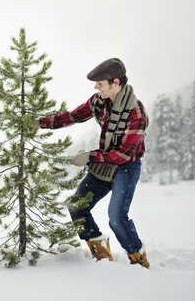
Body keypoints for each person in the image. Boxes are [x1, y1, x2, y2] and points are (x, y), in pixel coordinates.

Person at [36, 58, 150, 268]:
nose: (96, 87)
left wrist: (90, 156)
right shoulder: (100, 101)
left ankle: (139, 261)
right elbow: (73, 116)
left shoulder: (136, 113)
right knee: (77, 206)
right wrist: (39, 123)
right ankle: (101, 256)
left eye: (100, 83)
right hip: (103, 163)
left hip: (125, 167)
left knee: (116, 218)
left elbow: (122, 155)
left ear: (116, 83)